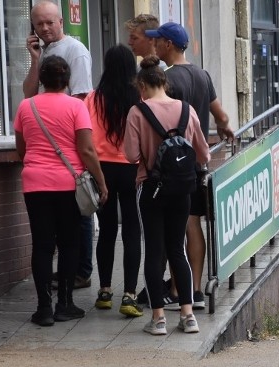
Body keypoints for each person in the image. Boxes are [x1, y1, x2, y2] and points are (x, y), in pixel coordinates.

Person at [14, 55, 108, 326]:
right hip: (69, 184)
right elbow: (87, 149)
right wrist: (101, 182)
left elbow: (22, 149)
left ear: (41, 80)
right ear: (67, 81)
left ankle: (43, 308)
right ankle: (64, 304)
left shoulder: (25, 107)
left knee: (42, 245)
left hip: (35, 184)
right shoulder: (76, 107)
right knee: (69, 244)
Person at [147, 21, 233, 310]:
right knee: (193, 224)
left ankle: (175, 289)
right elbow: (220, 115)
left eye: (157, 41)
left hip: (171, 167)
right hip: (196, 163)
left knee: (174, 230)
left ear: (168, 45)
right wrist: (224, 129)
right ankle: (194, 288)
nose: (154, 45)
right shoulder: (202, 74)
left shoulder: (167, 78)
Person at [124, 56, 209, 336]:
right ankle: (188, 316)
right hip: (182, 190)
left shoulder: (137, 112)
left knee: (154, 249)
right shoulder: (187, 109)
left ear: (143, 85)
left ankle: (158, 318)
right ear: (164, 82)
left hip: (150, 188)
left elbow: (131, 155)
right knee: (177, 249)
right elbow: (204, 153)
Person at [24, 0, 94, 290]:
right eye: (39, 24)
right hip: (47, 153)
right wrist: (34, 59)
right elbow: (29, 94)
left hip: (69, 146)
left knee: (81, 209)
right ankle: (71, 272)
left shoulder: (75, 51)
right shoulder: (44, 51)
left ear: (61, 21)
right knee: (62, 224)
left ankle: (82, 270)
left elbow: (81, 98)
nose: (45, 28)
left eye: (49, 22)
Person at [85, 45, 142, 318]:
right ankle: (130, 294)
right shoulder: (139, 97)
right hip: (132, 167)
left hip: (102, 170)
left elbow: (86, 138)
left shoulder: (93, 99)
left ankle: (105, 290)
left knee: (106, 230)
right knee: (132, 228)